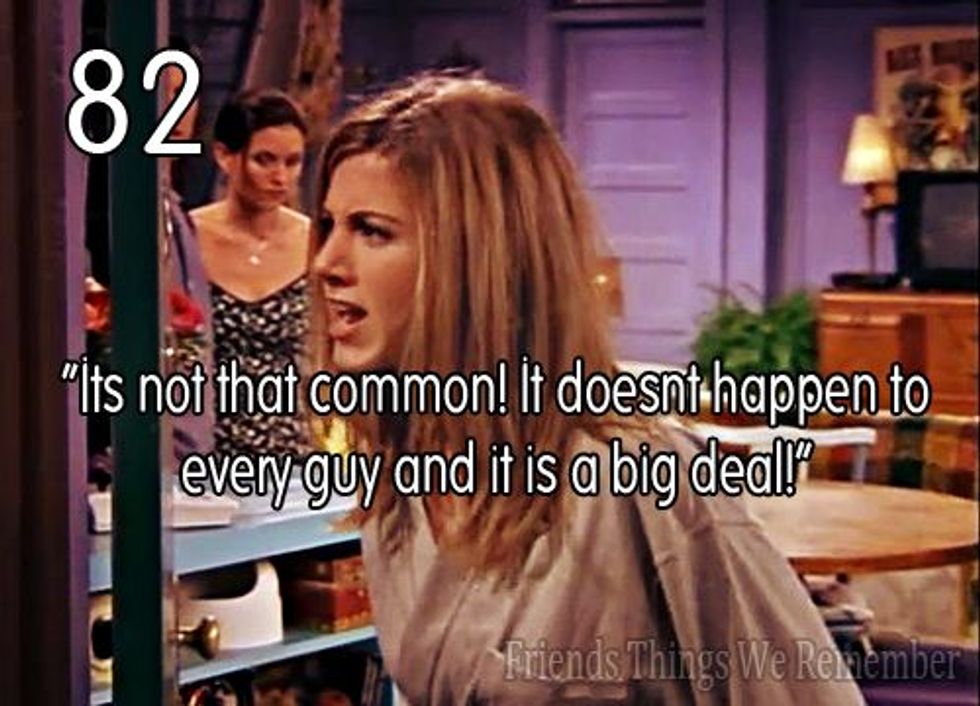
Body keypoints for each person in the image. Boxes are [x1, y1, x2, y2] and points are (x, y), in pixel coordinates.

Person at [309, 74, 864, 705]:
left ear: (479, 258)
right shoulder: (398, 480)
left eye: (371, 230)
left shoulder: (641, 482)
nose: (326, 261)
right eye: (329, 225)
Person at [191, 89, 311, 461]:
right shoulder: (185, 240)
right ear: (224, 155)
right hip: (202, 459)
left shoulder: (316, 243)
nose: (281, 177)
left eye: (293, 162)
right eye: (265, 160)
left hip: (295, 461)